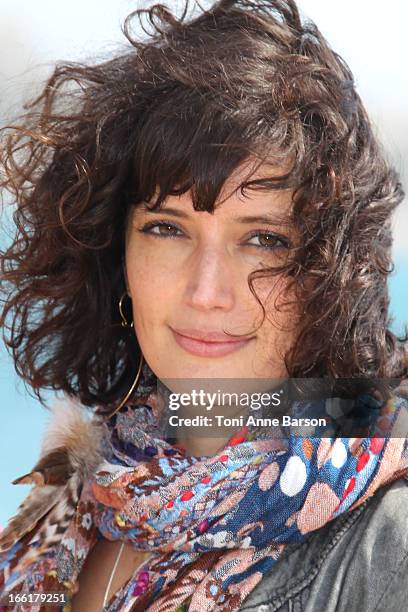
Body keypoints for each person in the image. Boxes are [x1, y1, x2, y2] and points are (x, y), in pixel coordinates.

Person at [0, 0, 407, 610]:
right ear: (117, 253)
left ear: (330, 277)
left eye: (264, 239)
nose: (206, 291)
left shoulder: (387, 548)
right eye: (167, 228)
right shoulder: (69, 495)